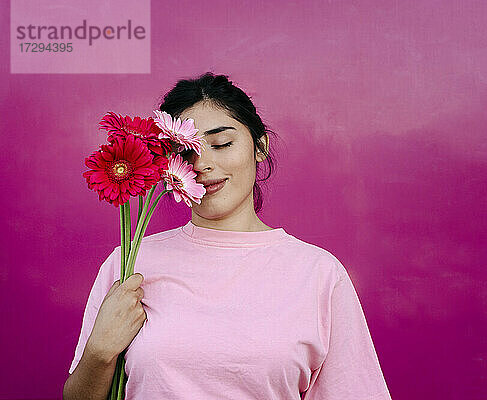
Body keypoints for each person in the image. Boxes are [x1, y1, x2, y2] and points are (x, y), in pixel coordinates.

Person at [63, 72, 392, 400]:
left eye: (222, 143)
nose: (203, 163)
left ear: (259, 146)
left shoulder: (319, 273)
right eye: (185, 152)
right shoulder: (130, 263)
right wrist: (99, 352)